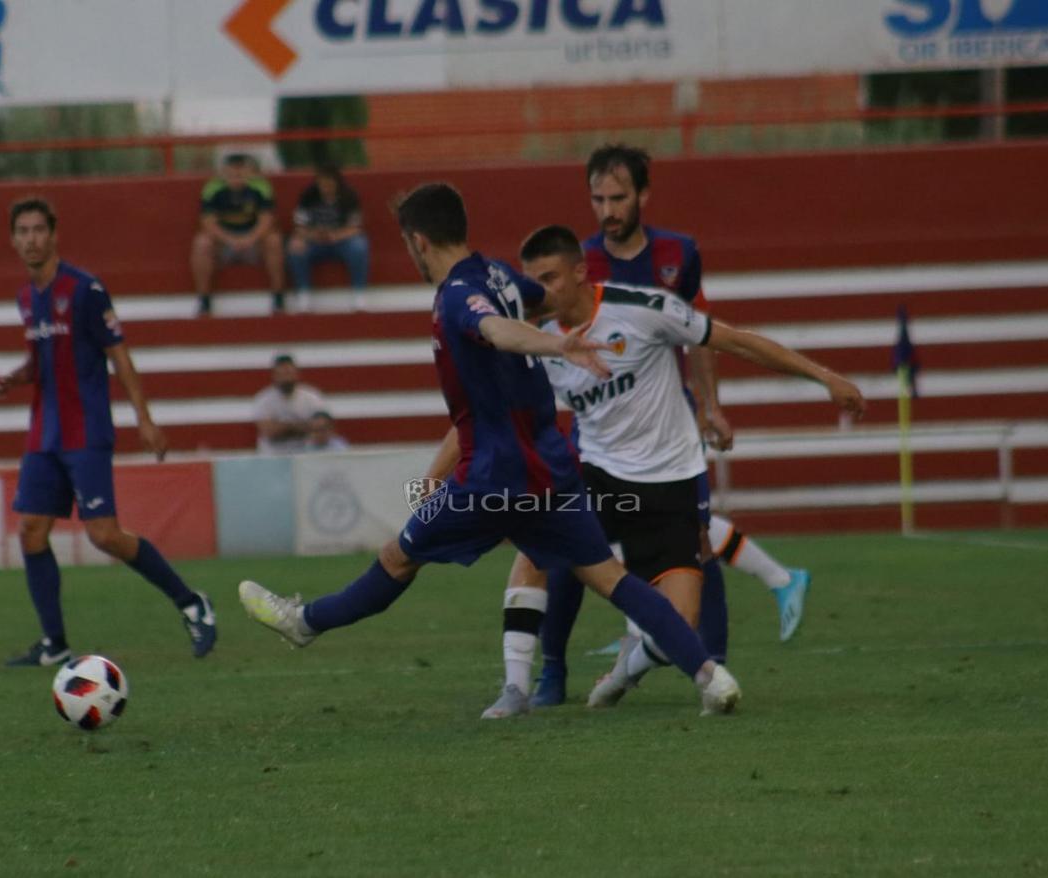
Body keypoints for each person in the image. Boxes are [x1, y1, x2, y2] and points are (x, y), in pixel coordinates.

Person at [237, 182, 742, 717]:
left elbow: (496, 330)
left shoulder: (459, 295)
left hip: (492, 477)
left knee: (397, 558)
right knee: (608, 578)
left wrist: (553, 341)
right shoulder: (497, 273)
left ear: (419, 241)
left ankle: (305, 623)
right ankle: (712, 677)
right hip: (548, 468)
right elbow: (539, 299)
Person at [481, 225, 864, 713]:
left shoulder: (643, 309)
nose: (540, 291)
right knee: (538, 546)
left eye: (550, 277)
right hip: (601, 475)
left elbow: (736, 341)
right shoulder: (538, 341)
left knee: (678, 622)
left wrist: (824, 377)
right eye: (532, 280)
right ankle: (516, 688)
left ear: (580, 272)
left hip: (672, 483)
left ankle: (627, 667)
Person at [532, 143, 814, 707]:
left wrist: (711, 404)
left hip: (668, 434)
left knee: (700, 552)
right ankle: (551, 673)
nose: (607, 209)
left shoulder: (676, 254)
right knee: (566, 548)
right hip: (598, 445)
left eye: (617, 197)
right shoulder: (577, 263)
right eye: (597, 198)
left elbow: (703, 334)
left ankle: (710, 661)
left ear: (643, 196)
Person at [0, 197, 217, 666]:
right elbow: (44, 356)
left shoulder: (85, 289)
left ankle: (192, 603)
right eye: (23, 231)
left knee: (105, 535)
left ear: (54, 234)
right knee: (31, 531)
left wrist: (146, 419)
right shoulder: (26, 297)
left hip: (85, 430)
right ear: (13, 239)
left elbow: (119, 354)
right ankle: (54, 644)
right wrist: (17, 376)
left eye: (38, 229)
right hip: (44, 433)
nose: (31, 238)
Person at [191, 153, 287, 316]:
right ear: (224, 173)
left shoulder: (261, 186)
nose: (236, 177)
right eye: (232, 173)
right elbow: (208, 222)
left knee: (274, 240)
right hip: (224, 243)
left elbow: (267, 220)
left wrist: (250, 238)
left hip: (254, 242)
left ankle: (278, 298)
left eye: (241, 173)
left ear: (249, 172)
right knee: (201, 243)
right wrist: (231, 239)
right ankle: (204, 300)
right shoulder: (212, 187)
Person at [287, 162, 371, 312]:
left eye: (329, 184)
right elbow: (299, 227)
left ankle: (359, 294)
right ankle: (303, 295)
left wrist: (335, 236)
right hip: (315, 241)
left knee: (359, 245)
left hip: (341, 241)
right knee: (295, 247)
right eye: (322, 184)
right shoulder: (308, 196)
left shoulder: (349, 196)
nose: (325, 188)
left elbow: (355, 228)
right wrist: (312, 235)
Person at [252, 354, 333, 455]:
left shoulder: (312, 398)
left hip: (305, 456)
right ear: (274, 375)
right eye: (282, 374)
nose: (286, 378)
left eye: (289, 373)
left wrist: (282, 427)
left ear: (296, 374)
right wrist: (302, 427)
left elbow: (321, 427)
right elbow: (269, 431)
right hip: (273, 456)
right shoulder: (263, 400)